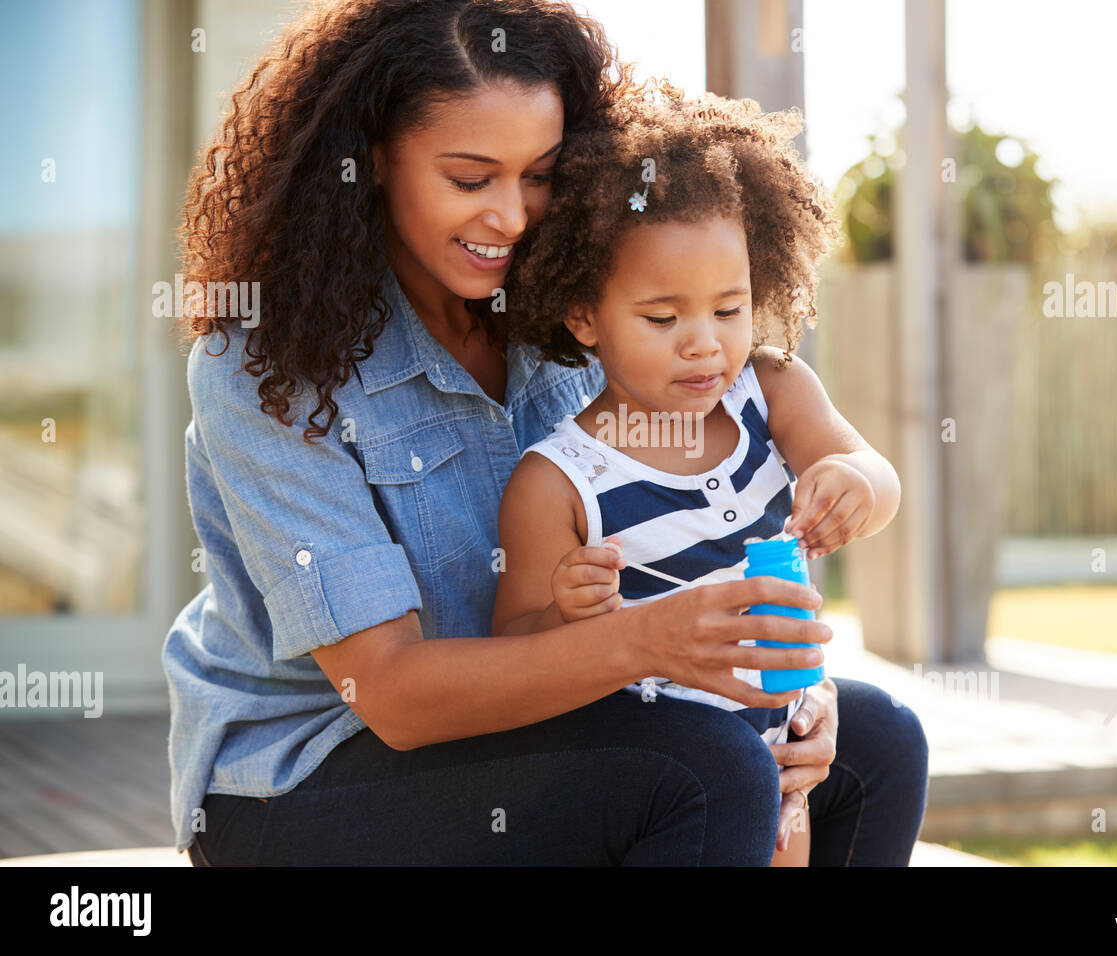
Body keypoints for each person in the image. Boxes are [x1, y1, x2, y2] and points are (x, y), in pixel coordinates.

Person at [165, 0, 929, 867]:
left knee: (875, 742)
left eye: (540, 174)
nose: (515, 216)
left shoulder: (582, 308)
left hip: (550, 713)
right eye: (470, 178)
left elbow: (692, 547)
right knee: (704, 768)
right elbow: (393, 695)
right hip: (309, 773)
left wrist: (790, 692)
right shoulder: (265, 363)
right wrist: (654, 640)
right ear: (372, 161)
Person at [491, 80, 913, 865]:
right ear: (584, 314)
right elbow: (514, 648)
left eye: (729, 309)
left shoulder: (773, 390)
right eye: (663, 318)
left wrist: (858, 483)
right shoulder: (558, 481)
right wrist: (563, 613)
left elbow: (871, 470)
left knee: (881, 743)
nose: (704, 344)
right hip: (670, 777)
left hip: (780, 739)